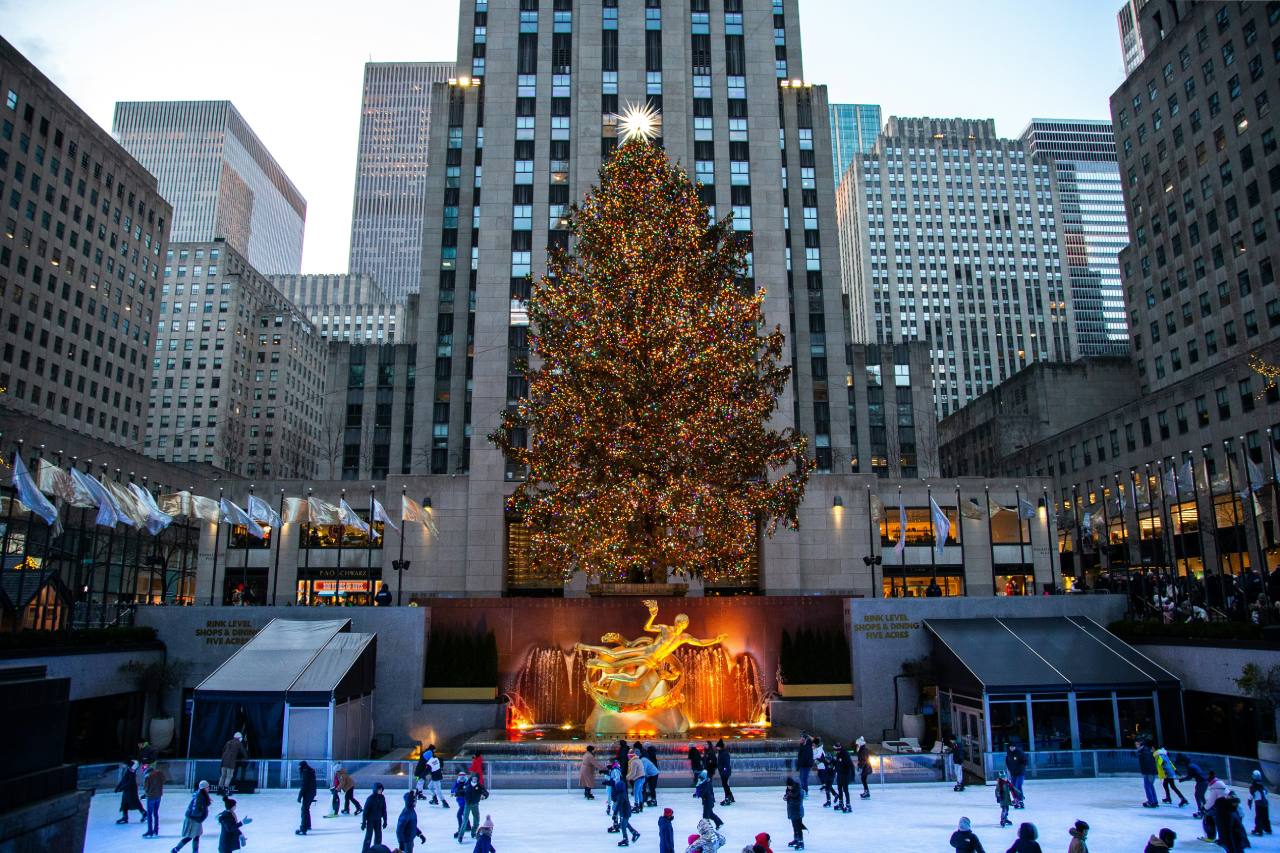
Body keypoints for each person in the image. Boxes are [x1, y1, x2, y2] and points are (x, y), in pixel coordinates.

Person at [171, 780, 212, 853]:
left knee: (197, 835)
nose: (209, 788)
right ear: (204, 788)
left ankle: (195, 851)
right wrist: (200, 816)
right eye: (207, 787)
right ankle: (176, 849)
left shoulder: (201, 795)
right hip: (193, 820)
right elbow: (195, 810)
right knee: (190, 836)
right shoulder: (199, 796)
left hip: (196, 820)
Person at [456, 771, 488, 841]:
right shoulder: (467, 785)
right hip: (467, 805)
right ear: (471, 778)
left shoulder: (479, 786)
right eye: (473, 778)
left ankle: (473, 832)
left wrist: (484, 796)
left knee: (476, 820)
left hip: (475, 805)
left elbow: (485, 792)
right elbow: (461, 791)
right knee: (465, 820)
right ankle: (460, 836)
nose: (474, 779)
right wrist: (457, 793)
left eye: (476, 778)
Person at [360, 781, 388, 852]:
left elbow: (384, 809)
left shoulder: (382, 798)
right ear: (375, 789)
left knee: (378, 836)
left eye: (381, 789)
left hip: (378, 820)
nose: (380, 791)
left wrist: (385, 821)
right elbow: (365, 811)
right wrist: (363, 822)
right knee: (368, 836)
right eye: (379, 789)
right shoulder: (370, 798)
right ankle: (365, 851)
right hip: (370, 820)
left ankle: (377, 850)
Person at [115, 760, 145, 824]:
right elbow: (123, 780)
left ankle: (144, 813)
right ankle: (125, 817)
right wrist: (118, 787)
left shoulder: (132, 772)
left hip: (131, 790)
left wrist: (122, 787)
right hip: (127, 790)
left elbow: (130, 782)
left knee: (135, 802)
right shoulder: (128, 770)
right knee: (124, 803)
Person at [143, 761, 167, 838]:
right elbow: (164, 781)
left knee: (149, 814)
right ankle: (156, 830)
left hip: (151, 797)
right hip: (158, 796)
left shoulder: (148, 776)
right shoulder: (159, 773)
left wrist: (146, 793)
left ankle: (150, 831)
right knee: (156, 813)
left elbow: (146, 788)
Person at [784, 775, 806, 850]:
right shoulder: (789, 789)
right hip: (792, 811)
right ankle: (796, 839)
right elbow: (787, 796)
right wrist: (786, 797)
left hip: (798, 812)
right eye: (787, 786)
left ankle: (801, 842)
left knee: (799, 827)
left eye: (789, 786)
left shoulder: (799, 791)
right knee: (794, 827)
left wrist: (789, 797)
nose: (788, 787)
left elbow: (798, 802)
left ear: (793, 785)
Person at [296, 760, 317, 836]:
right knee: (306, 809)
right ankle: (307, 825)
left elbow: (304, 785)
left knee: (304, 810)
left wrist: (299, 796)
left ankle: (303, 828)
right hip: (311, 792)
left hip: (308, 793)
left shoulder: (305, 772)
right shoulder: (310, 771)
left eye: (299, 767)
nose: (299, 768)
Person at [1249, 769, 1272, 835]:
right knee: (1265, 816)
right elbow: (1266, 793)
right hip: (1265, 803)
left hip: (1259, 803)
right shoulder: (1263, 784)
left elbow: (1251, 794)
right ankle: (1268, 829)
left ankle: (1258, 830)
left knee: (1258, 817)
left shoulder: (1253, 786)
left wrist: (1249, 802)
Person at [1004, 743, 1027, 809]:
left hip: (1020, 773)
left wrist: (1020, 768)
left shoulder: (1019, 753)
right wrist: (1010, 770)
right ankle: (1016, 800)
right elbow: (1007, 762)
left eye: (1013, 747)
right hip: (1013, 773)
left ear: (1015, 747)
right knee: (1013, 787)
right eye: (1011, 747)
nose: (1012, 748)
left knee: (1018, 786)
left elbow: (1025, 761)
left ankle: (1020, 800)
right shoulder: (1009, 754)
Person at [1138, 739, 1159, 808]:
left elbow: (1147, 763)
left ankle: (1151, 801)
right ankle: (1154, 800)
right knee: (1150, 786)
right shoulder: (1147, 751)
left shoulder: (1144, 752)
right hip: (1151, 772)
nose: (1136, 746)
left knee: (1147, 786)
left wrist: (1147, 772)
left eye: (1137, 744)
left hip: (1149, 772)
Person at [833, 742, 853, 812]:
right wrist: (835, 770)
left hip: (845, 775)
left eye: (835, 750)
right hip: (840, 774)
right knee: (839, 789)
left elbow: (850, 765)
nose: (834, 751)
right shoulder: (838, 754)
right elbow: (838, 764)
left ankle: (848, 805)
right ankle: (841, 803)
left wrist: (851, 776)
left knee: (845, 790)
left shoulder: (845, 754)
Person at [717, 740, 735, 806]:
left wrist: (724, 771)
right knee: (725, 785)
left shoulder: (724, 753)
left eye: (717, 746)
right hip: (723, 772)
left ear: (720, 747)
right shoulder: (721, 752)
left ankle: (727, 798)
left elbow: (726, 764)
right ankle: (731, 798)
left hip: (725, 773)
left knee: (725, 785)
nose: (716, 748)